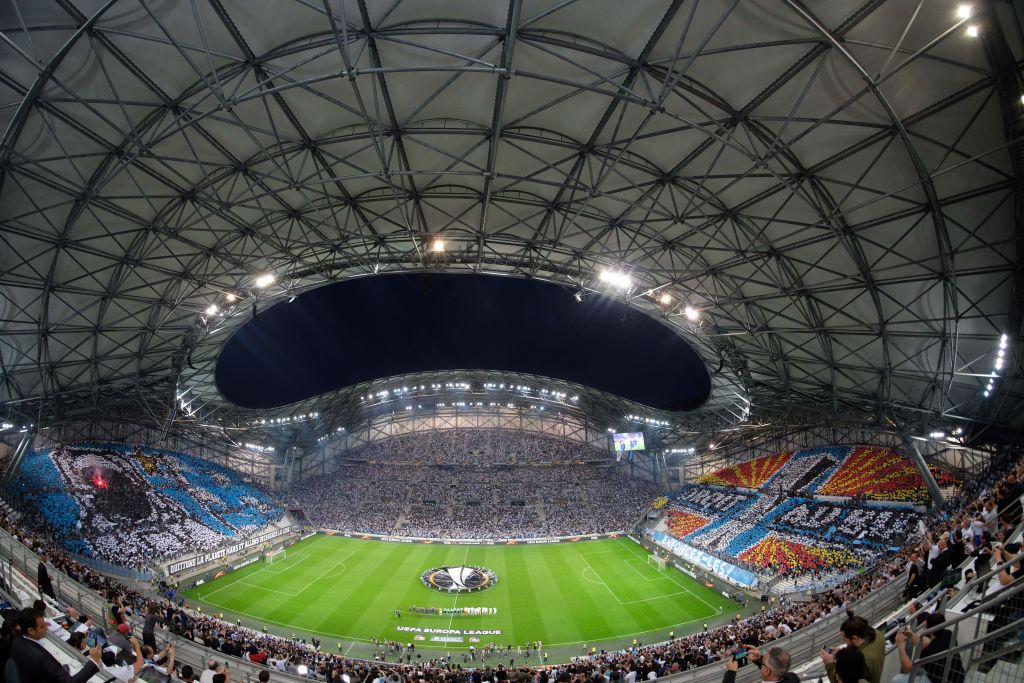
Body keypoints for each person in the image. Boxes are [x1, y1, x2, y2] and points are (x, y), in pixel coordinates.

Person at [9, 607, 102, 683]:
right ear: (31, 631)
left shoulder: (16, 643)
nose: (47, 627)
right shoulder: (42, 658)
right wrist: (94, 661)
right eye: (42, 626)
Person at [893, 612, 964, 683]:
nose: (923, 625)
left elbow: (908, 668)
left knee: (897, 679)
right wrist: (911, 635)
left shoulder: (928, 653)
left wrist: (900, 645)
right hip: (957, 676)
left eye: (925, 625)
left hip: (939, 680)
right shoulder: (948, 634)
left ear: (930, 630)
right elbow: (929, 644)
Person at [821, 612, 885, 683]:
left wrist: (830, 665)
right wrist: (843, 653)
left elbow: (843, 680)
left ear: (854, 638)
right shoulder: (876, 633)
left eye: (845, 640)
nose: (846, 643)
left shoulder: (863, 660)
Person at [724, 647, 797, 683]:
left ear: (767, 671)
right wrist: (759, 658)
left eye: (762, 662)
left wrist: (730, 672)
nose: (761, 662)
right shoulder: (793, 678)